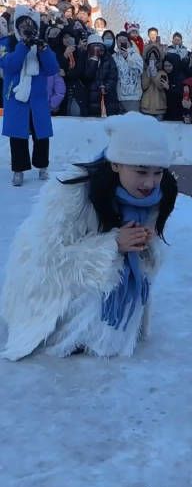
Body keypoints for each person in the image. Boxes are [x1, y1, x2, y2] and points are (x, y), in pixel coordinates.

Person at [0, 113, 178, 360]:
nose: (150, 182)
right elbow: (46, 259)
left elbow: (148, 265)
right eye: (141, 171)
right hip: (45, 285)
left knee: (118, 297)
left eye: (158, 172)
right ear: (116, 164)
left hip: (96, 279)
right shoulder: (73, 190)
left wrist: (145, 244)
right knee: (96, 302)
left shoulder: (155, 196)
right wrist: (113, 244)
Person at [0, 6, 59, 186]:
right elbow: (9, 66)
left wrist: (43, 49)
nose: (27, 27)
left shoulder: (41, 43)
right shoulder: (7, 42)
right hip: (16, 98)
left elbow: (52, 68)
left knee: (41, 136)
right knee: (18, 137)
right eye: (23, 23)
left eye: (30, 24)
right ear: (16, 25)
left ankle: (42, 166)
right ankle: (18, 170)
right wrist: (23, 46)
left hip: (38, 98)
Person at [81, 34, 118, 117]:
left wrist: (106, 86)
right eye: (94, 45)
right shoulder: (85, 58)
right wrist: (94, 60)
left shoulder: (108, 58)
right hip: (91, 97)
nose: (97, 48)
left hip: (108, 97)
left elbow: (113, 75)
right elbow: (87, 77)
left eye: (99, 45)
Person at [113, 31, 144, 112]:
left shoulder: (135, 55)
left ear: (129, 42)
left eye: (124, 41)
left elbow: (139, 71)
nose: (121, 43)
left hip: (133, 97)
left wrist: (127, 57)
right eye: (119, 41)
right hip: (119, 96)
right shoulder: (114, 56)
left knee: (133, 123)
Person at [140, 44, 168, 120]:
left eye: (154, 59)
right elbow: (144, 86)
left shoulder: (163, 73)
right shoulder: (145, 72)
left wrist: (154, 75)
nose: (152, 61)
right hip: (146, 108)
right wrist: (148, 75)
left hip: (159, 108)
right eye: (150, 59)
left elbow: (160, 86)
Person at [163, 52, 184, 120]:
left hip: (177, 113)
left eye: (169, 66)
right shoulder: (164, 75)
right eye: (165, 66)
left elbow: (181, 93)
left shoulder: (180, 77)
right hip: (166, 111)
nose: (167, 68)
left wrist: (169, 88)